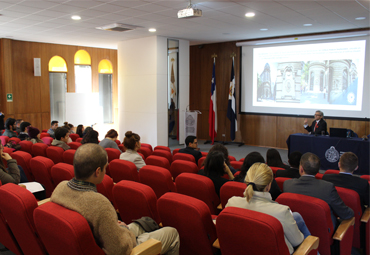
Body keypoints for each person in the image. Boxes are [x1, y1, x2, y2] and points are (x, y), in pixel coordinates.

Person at [51, 143, 180, 255]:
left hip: (98, 238)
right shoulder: (100, 203)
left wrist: (115, 226)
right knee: (172, 233)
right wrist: (123, 229)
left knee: (144, 223)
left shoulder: (60, 187)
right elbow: (120, 249)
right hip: (119, 247)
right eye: (105, 167)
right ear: (97, 171)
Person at [226, 163, 310, 254]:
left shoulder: (231, 202)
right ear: (268, 186)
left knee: (296, 217)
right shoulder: (281, 212)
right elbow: (297, 241)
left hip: (242, 250)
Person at [284, 152, 354, 229]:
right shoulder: (328, 188)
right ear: (318, 170)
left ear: (301, 169)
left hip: (295, 229)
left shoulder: (287, 185)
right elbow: (346, 214)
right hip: (323, 232)